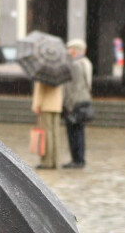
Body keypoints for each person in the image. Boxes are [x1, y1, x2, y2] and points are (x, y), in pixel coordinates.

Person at [61, 39, 93, 169]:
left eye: (70, 49)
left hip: (75, 102)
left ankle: (77, 159)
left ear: (75, 50)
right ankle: (79, 159)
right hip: (84, 100)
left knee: (74, 132)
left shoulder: (75, 65)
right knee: (80, 131)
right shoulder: (86, 62)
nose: (69, 52)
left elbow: (73, 87)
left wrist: (68, 104)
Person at [30, 76, 63, 170]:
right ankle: (55, 161)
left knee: (47, 134)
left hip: (46, 106)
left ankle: (47, 161)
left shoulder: (42, 74)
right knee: (55, 134)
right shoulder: (59, 75)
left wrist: (36, 105)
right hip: (56, 106)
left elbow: (39, 91)